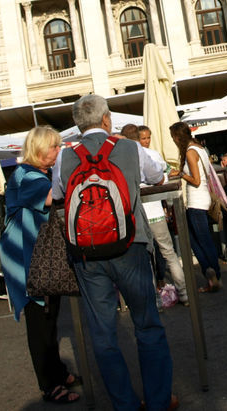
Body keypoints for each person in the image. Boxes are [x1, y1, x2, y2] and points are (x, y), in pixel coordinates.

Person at [57, 96, 174, 411]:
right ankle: (159, 400)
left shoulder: (65, 157)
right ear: (106, 119)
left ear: (79, 125)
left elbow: (57, 194)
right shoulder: (129, 148)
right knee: (147, 324)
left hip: (86, 253)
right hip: (130, 245)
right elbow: (158, 175)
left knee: (103, 332)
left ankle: (125, 404)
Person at [0, 127, 80, 404]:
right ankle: (49, 384)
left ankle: (57, 371)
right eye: (54, 147)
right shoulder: (28, 175)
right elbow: (50, 198)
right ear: (39, 149)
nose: (58, 151)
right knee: (41, 323)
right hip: (29, 259)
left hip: (38, 256)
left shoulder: (35, 173)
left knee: (49, 317)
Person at [128, 125, 189, 306]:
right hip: (154, 211)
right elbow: (162, 176)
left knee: (146, 258)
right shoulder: (152, 155)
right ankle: (184, 293)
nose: (145, 141)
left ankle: (155, 300)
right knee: (168, 252)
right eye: (143, 138)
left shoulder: (123, 156)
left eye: (147, 137)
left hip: (138, 213)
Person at [169, 121, 222, 293]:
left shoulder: (191, 152)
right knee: (198, 239)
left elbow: (197, 180)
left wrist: (181, 174)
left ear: (178, 137)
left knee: (201, 240)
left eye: (173, 138)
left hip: (196, 201)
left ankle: (213, 275)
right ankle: (211, 273)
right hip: (202, 199)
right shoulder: (200, 149)